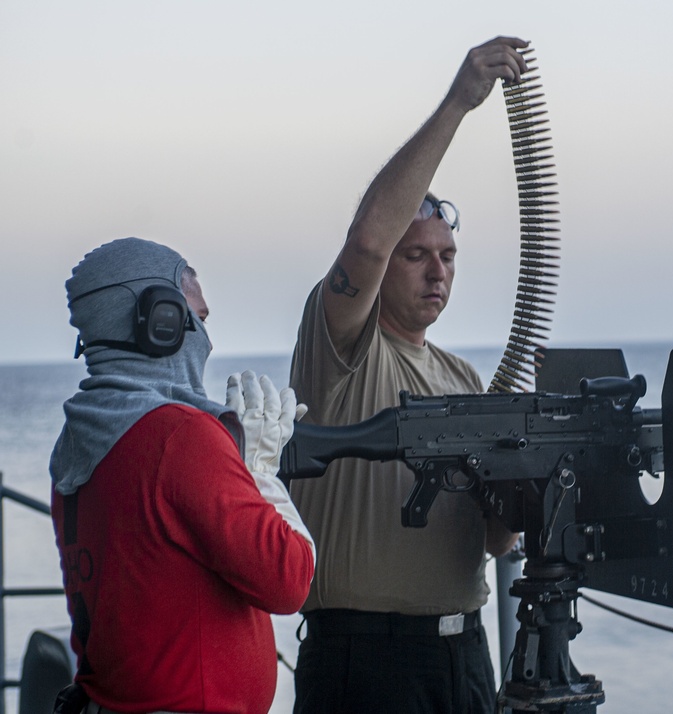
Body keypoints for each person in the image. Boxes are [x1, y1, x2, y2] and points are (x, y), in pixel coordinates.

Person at [288, 36, 528, 713]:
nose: (437, 270)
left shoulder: (461, 376)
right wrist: (458, 104)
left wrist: (530, 481)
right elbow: (365, 241)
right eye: (416, 254)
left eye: (448, 256)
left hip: (463, 654)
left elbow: (491, 538)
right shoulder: (341, 345)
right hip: (364, 658)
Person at [49, 237, 316, 714]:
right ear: (161, 323)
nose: (207, 341)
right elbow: (290, 579)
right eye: (199, 319)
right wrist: (259, 473)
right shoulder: (182, 436)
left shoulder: (76, 441)